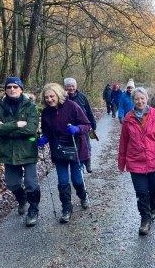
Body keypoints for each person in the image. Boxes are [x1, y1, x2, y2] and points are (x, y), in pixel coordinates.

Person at [118, 87, 155, 236]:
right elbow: (123, 142)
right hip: (135, 163)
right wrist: (121, 162)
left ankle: (153, 208)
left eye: (142, 98)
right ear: (133, 100)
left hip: (154, 162)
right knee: (141, 193)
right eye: (137, 99)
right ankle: (145, 219)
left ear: (147, 99)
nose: (140, 101)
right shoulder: (128, 119)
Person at [0, 76, 40, 227]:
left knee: (31, 182)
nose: (12, 89)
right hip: (8, 152)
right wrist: (17, 124)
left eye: (15, 87)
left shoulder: (30, 107)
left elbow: (31, 129)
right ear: (5, 90)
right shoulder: (0, 107)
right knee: (12, 184)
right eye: (9, 87)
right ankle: (22, 198)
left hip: (27, 151)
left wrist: (5, 129)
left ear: (21, 89)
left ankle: (33, 209)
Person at [39, 83, 91, 223]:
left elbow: (87, 125)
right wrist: (44, 138)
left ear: (58, 94)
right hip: (59, 151)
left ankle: (83, 196)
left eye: (52, 96)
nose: (49, 99)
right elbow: (46, 131)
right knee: (62, 182)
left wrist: (77, 128)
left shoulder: (72, 106)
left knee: (77, 180)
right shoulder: (46, 112)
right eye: (47, 97)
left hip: (76, 150)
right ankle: (66, 208)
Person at [64, 77, 96, 173]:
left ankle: (88, 161)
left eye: (73, 86)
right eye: (69, 86)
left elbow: (89, 111)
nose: (71, 88)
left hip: (83, 124)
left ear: (76, 86)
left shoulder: (82, 97)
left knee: (86, 144)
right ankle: (78, 163)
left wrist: (93, 124)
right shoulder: (62, 98)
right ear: (65, 87)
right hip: (69, 126)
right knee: (75, 146)